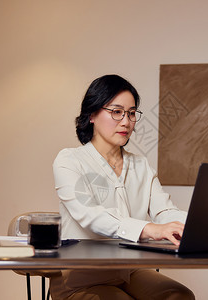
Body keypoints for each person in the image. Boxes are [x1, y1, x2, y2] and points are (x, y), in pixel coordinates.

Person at [51, 74, 195, 300]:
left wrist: (202, 223)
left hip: (128, 270)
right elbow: (91, 215)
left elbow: (164, 211)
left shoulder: (140, 165)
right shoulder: (69, 161)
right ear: (92, 114)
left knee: (178, 296)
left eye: (131, 113)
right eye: (116, 111)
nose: (126, 122)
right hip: (81, 277)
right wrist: (149, 229)